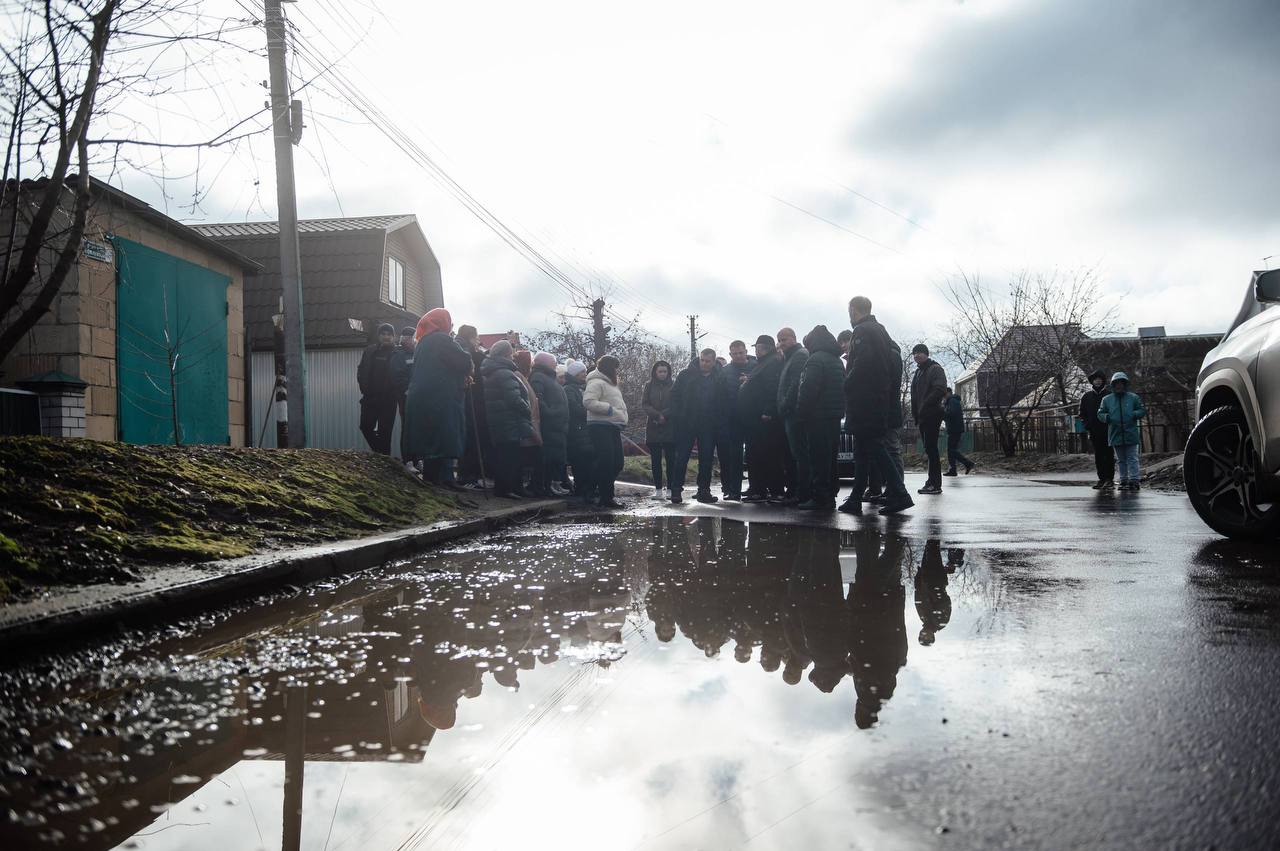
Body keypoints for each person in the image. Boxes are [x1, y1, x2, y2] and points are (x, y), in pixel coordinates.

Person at [839, 296, 913, 516]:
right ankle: (855, 498)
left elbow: (863, 364)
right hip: (875, 400)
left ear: (853, 310)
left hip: (866, 402)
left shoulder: (863, 331)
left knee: (875, 447)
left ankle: (900, 493)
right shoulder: (879, 330)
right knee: (862, 451)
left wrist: (847, 383)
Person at [404, 308, 474, 487]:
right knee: (443, 438)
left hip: (423, 397)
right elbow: (464, 362)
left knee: (431, 440)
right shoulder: (442, 340)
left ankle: (435, 480)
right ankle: (444, 480)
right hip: (441, 397)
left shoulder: (423, 342)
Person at [795, 325, 845, 510]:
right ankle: (830, 493)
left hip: (817, 416)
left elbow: (808, 389)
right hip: (834, 416)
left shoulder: (815, 360)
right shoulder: (837, 361)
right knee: (830, 458)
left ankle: (819, 497)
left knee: (818, 458)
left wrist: (801, 413)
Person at [671, 348, 724, 504]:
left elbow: (723, 399)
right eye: (702, 360)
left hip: (708, 424)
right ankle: (676, 490)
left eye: (708, 361)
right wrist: (678, 415)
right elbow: (674, 395)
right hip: (687, 422)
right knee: (682, 457)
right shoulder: (686, 375)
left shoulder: (719, 377)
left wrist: (719, 418)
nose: (704, 364)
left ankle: (703, 490)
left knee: (706, 458)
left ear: (713, 362)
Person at [481, 340, 533, 498]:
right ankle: (505, 489)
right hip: (508, 420)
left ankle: (512, 487)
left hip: (501, 419)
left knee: (506, 455)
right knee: (509, 456)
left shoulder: (493, 371)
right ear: (506, 354)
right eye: (511, 353)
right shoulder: (504, 373)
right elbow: (513, 398)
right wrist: (527, 409)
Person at [738, 335, 786, 501]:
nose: (755, 352)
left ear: (762, 347)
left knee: (768, 455)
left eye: (756, 348)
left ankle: (774, 490)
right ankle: (757, 488)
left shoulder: (772, 362)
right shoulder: (765, 362)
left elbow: (772, 387)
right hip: (754, 419)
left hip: (763, 418)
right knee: (756, 454)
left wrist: (768, 410)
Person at [583, 354, 628, 509]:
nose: (617, 372)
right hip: (599, 426)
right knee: (607, 462)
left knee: (617, 463)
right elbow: (588, 402)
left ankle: (592, 488)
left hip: (612, 426)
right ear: (610, 368)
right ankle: (605, 497)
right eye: (615, 368)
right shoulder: (596, 382)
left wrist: (621, 417)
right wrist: (609, 410)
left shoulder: (611, 384)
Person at [775, 327, 811, 505]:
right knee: (797, 455)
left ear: (794, 338)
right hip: (790, 412)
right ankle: (799, 492)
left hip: (794, 413)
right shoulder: (790, 356)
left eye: (784, 339)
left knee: (800, 455)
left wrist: (784, 405)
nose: (781, 343)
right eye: (779, 340)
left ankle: (802, 494)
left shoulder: (799, 355)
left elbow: (796, 383)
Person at [1097, 371, 1147, 491]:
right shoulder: (1107, 399)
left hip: (1130, 432)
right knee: (1121, 459)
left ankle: (1134, 480)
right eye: (1117, 383)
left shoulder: (1133, 398)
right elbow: (1100, 413)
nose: (1119, 386)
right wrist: (1108, 418)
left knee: (1132, 457)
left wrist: (1133, 415)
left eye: (1121, 383)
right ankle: (1124, 480)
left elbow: (1142, 410)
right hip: (1115, 432)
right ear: (1113, 385)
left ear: (1125, 384)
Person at [529, 351, 570, 497]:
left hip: (557, 426)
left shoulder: (549, 378)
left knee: (555, 458)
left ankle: (550, 485)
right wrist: (551, 413)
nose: (555, 364)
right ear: (545, 363)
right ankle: (543, 486)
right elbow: (537, 400)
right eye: (553, 362)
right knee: (547, 458)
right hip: (549, 425)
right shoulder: (538, 377)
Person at [718, 341, 754, 501]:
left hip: (753, 417)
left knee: (755, 454)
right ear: (730, 354)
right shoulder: (725, 372)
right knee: (734, 456)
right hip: (732, 419)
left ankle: (756, 488)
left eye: (741, 352)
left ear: (746, 351)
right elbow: (720, 395)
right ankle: (734, 490)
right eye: (735, 353)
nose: (738, 356)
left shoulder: (756, 366)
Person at [456, 325, 491, 488]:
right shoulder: (470, 354)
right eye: (476, 337)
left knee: (469, 438)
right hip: (473, 401)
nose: (478, 340)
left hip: (471, 399)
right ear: (471, 337)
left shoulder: (463, 349)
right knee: (470, 438)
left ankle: (470, 474)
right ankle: (468, 475)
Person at [910, 343, 947, 495]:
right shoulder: (919, 372)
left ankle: (935, 483)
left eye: (919, 352)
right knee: (929, 448)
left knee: (931, 449)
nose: (916, 355)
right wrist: (916, 413)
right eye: (914, 353)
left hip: (932, 414)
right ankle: (931, 481)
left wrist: (925, 406)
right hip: (923, 416)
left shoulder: (935, 369)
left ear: (926, 354)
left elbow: (940, 389)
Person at [356, 323, 399, 454]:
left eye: (389, 334)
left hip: (388, 400)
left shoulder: (397, 352)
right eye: (383, 334)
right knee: (365, 427)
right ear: (379, 336)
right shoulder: (370, 351)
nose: (386, 337)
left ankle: (385, 461)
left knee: (385, 433)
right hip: (370, 397)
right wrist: (364, 388)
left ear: (393, 337)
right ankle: (382, 454)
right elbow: (361, 370)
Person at [642, 360, 676, 500]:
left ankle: (670, 489)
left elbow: (677, 403)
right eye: (660, 371)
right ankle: (657, 489)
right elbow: (645, 403)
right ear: (655, 372)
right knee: (655, 460)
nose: (662, 374)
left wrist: (665, 415)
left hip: (670, 425)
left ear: (668, 372)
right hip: (653, 426)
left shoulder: (674, 385)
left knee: (671, 460)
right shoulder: (649, 385)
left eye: (665, 371)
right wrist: (657, 415)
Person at [513, 350, 545, 496]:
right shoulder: (519, 377)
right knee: (529, 458)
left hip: (530, 424)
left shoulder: (523, 377)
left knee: (529, 457)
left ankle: (531, 486)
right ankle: (529, 487)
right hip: (527, 425)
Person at [563, 360, 594, 500]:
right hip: (576, 431)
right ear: (575, 374)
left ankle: (587, 488)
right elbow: (574, 408)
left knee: (587, 461)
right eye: (582, 372)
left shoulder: (580, 388)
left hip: (583, 430)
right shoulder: (569, 389)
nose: (585, 374)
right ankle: (581, 488)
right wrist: (590, 411)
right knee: (579, 462)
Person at [1079, 369, 1114, 490]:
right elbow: (1082, 414)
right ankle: (1101, 479)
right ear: (1092, 381)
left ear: (1103, 381)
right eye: (1095, 379)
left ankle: (1109, 479)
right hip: (1094, 431)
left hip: (1108, 430)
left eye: (1100, 379)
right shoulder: (1087, 396)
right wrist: (1087, 425)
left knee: (1109, 454)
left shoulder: (1109, 395)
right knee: (1098, 455)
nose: (1097, 381)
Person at [390, 326, 416, 463]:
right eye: (414, 338)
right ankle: (408, 460)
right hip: (405, 397)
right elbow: (397, 377)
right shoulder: (398, 354)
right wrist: (407, 390)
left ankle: (417, 460)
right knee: (407, 428)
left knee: (417, 428)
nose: (416, 341)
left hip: (417, 396)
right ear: (406, 339)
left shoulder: (416, 353)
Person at [942, 387, 974, 477]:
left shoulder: (952, 401)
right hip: (953, 428)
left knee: (951, 450)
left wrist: (942, 413)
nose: (943, 396)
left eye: (944, 394)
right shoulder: (950, 402)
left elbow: (952, 414)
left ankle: (968, 463)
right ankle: (953, 469)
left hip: (955, 429)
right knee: (951, 450)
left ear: (949, 393)